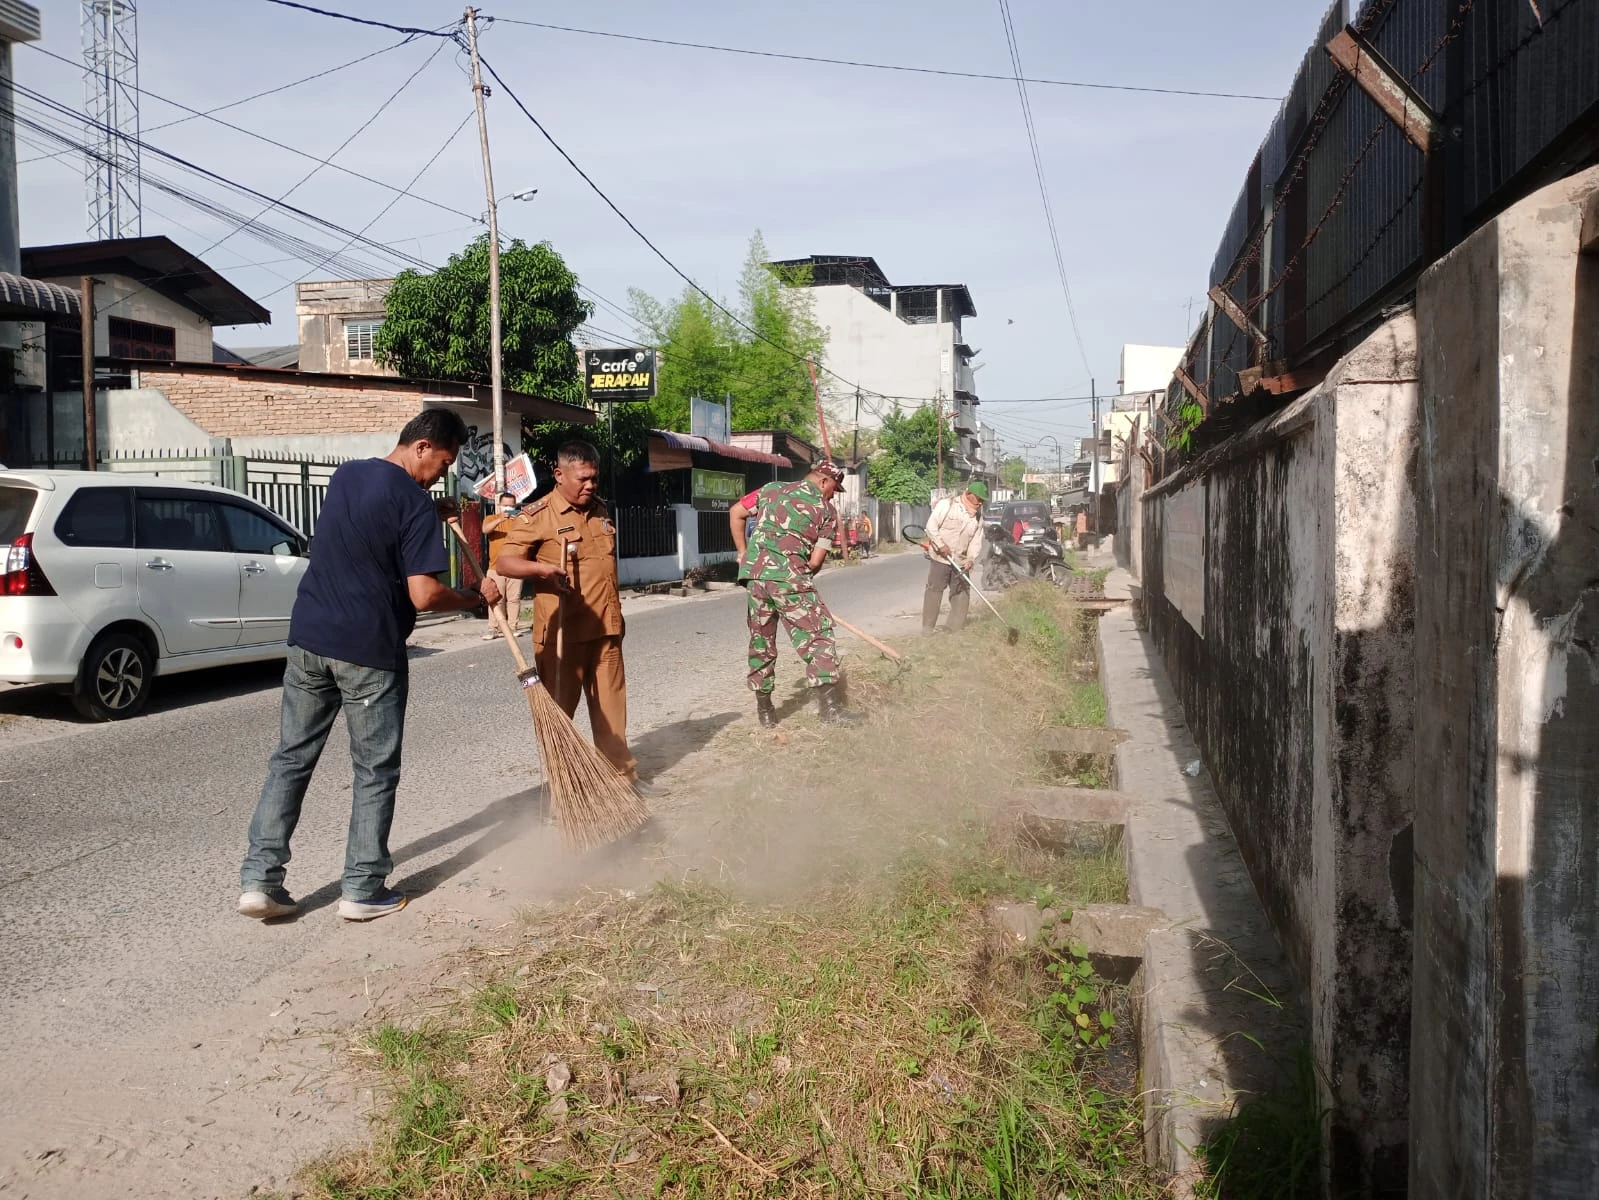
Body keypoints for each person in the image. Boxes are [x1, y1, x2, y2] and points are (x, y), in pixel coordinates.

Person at [238, 410, 499, 923]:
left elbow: (376, 521)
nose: (439, 474)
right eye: (442, 463)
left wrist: (428, 507)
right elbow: (423, 595)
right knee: (374, 771)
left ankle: (259, 882)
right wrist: (473, 595)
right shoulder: (414, 505)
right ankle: (361, 889)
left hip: (310, 637)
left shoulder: (347, 474)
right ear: (422, 447)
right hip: (368, 651)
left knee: (290, 760)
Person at [492, 441, 664, 800]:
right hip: (562, 636)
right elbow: (505, 564)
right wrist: (540, 569)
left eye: (594, 479)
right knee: (559, 718)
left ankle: (622, 781)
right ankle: (565, 792)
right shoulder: (537, 515)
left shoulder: (600, 510)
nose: (590, 485)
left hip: (606, 630)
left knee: (611, 712)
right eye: (583, 479)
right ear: (559, 474)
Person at [728, 461, 862, 728]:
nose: (834, 495)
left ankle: (765, 711)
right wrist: (799, 581)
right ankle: (830, 712)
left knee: (761, 642)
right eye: (835, 488)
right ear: (824, 481)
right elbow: (815, 562)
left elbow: (736, 512)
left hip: (754, 578)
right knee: (818, 637)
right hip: (790, 578)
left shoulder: (770, 489)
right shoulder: (826, 511)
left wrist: (743, 553)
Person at [923, 481, 988, 634]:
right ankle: (927, 628)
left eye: (982, 500)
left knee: (962, 593)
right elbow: (931, 526)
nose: (980, 502)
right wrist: (940, 545)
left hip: (960, 561)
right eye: (978, 499)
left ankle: (954, 629)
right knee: (934, 590)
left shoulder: (978, 518)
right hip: (941, 558)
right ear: (969, 494)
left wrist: (971, 559)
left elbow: (975, 542)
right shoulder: (948, 505)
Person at [481, 490, 523, 640]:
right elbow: (485, 530)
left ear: (515, 506)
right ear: (499, 505)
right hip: (495, 567)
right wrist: (500, 519)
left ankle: (513, 627)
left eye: (510, 506)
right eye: (505, 506)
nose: (507, 509)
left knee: (514, 598)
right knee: (495, 598)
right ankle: (493, 628)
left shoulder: (519, 520)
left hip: (516, 566)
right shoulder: (491, 518)